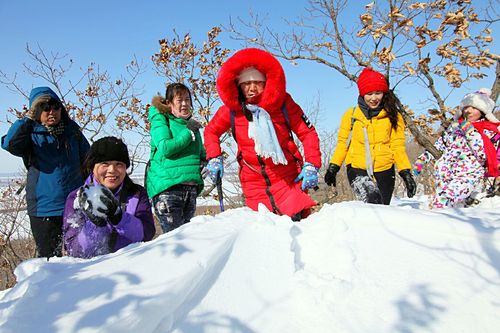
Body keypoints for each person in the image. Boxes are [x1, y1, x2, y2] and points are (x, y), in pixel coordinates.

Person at [203, 48, 321, 221]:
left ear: (266, 82)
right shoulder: (232, 111)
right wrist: (214, 157)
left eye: (257, 82)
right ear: (238, 85)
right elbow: (211, 131)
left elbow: (308, 132)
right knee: (264, 235)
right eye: (246, 83)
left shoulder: (283, 104)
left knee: (296, 229)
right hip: (253, 184)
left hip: (287, 179)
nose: (252, 88)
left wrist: (312, 164)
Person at [1, 86, 90, 258]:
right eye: (45, 108)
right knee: (50, 261)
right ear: (36, 111)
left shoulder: (72, 131)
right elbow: (9, 144)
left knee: (82, 255)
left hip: (75, 204)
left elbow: (89, 159)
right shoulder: (30, 134)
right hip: (44, 208)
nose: (52, 112)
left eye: (56, 107)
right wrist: (27, 118)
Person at [324, 68, 416, 205]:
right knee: (373, 201)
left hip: (385, 168)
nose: (374, 98)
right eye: (369, 94)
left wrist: (405, 172)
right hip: (357, 167)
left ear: (384, 93)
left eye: (378, 93)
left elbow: (397, 147)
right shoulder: (351, 115)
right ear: (362, 94)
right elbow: (343, 144)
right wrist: (333, 167)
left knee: (383, 208)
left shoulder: (393, 116)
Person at [63, 136, 155, 258]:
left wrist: (119, 218)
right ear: (92, 167)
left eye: (118, 164)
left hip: (132, 262)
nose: (112, 170)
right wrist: (96, 225)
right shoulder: (76, 198)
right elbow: (74, 250)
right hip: (94, 268)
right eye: (105, 164)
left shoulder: (136, 194)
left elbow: (147, 234)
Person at [413, 88, 500, 208]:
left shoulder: (489, 131)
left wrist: (470, 133)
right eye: (466, 107)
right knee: (448, 208)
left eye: (474, 108)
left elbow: (483, 155)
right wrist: (422, 159)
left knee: (440, 203)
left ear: (483, 110)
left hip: (468, 176)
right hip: (444, 174)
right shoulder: (454, 128)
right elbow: (440, 145)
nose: (469, 111)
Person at [146, 83, 206, 233]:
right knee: (175, 241)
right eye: (179, 100)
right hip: (168, 189)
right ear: (169, 103)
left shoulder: (190, 124)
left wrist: (208, 161)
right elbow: (166, 148)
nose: (185, 104)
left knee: (189, 238)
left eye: (187, 99)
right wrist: (188, 131)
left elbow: (200, 153)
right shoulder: (161, 120)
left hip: (190, 189)